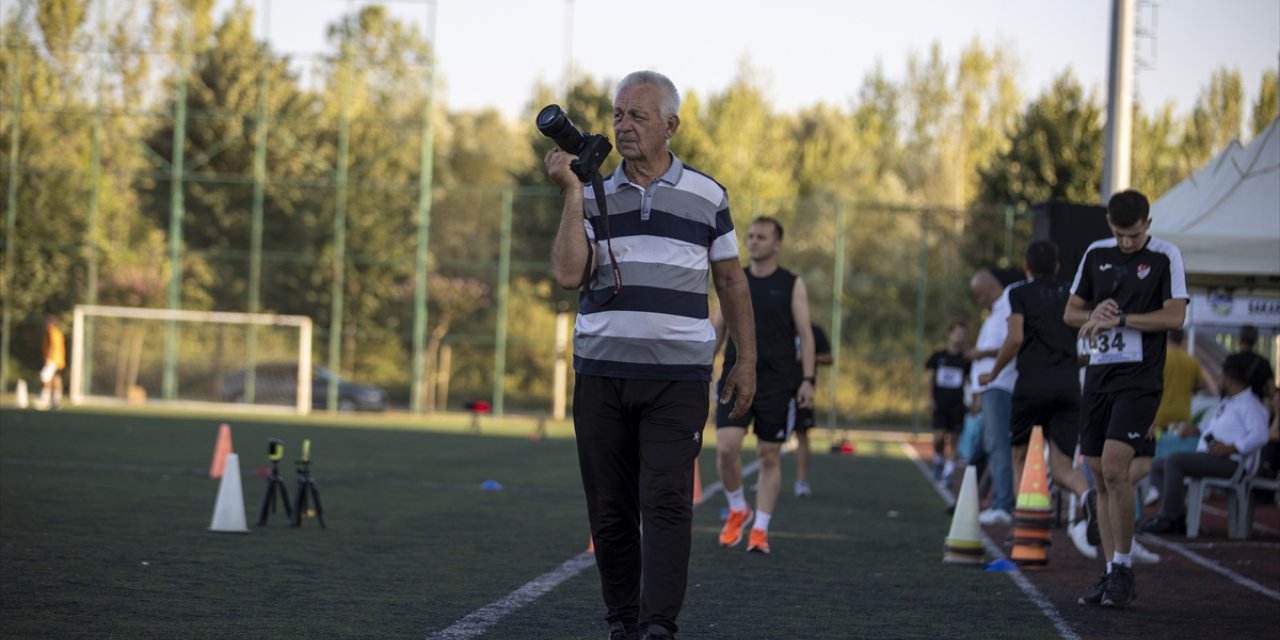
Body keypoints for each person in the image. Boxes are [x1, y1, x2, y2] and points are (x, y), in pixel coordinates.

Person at [545, 70, 756, 640]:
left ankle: (658, 624)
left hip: (678, 381)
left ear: (671, 125)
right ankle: (622, 622)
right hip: (601, 376)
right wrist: (571, 192)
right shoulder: (591, 191)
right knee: (610, 511)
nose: (623, 125)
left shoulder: (708, 195)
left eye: (637, 115)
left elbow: (733, 282)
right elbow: (568, 273)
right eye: (617, 114)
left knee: (666, 501)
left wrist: (745, 360)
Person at [1065, 189, 1187, 608]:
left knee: (1117, 470)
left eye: (1134, 235)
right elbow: (1071, 312)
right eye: (1120, 235)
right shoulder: (1095, 253)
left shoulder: (1166, 256)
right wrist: (1093, 315)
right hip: (1098, 377)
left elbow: (1175, 316)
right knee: (1099, 476)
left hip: (1139, 380)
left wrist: (1121, 318)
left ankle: (1124, 568)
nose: (1126, 243)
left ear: (1148, 226)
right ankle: (1110, 571)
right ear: (1110, 228)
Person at [978, 240, 1093, 558]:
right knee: (1062, 470)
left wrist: (994, 372)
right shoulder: (1072, 293)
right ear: (1057, 266)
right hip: (1069, 386)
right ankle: (1087, 498)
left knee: (1020, 459)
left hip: (1031, 386)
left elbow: (1015, 338)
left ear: (1026, 267)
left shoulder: (1018, 293)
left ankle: (1026, 533)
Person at [714, 216, 816, 555]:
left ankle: (760, 529)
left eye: (761, 237)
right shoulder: (733, 279)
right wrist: (701, 368)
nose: (754, 241)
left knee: (768, 455)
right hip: (734, 377)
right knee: (726, 448)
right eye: (751, 236)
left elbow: (805, 335)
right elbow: (716, 330)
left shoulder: (791, 283)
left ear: (777, 244)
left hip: (777, 383)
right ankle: (737, 506)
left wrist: (807, 380)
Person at [1139, 353, 1271, 535]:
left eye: (1221, 374)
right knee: (1158, 465)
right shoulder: (1230, 401)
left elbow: (1260, 435)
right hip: (1215, 456)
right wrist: (1195, 429)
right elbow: (1213, 428)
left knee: (1175, 460)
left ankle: (1168, 517)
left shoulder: (1250, 404)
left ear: (1231, 377)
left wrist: (1232, 447)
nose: (1218, 378)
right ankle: (1177, 516)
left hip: (1231, 464)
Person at [969, 270, 1020, 526]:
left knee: (998, 446)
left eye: (980, 294)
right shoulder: (994, 313)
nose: (979, 300)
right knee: (982, 448)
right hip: (989, 387)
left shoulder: (1011, 302)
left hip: (1000, 383)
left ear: (990, 287)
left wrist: (981, 354)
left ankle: (1003, 504)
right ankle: (969, 500)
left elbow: (1012, 343)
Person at [925, 321, 971, 485]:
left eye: (962, 334)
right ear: (949, 334)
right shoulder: (938, 357)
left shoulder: (965, 360)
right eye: (957, 333)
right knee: (938, 437)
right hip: (940, 403)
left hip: (957, 404)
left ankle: (949, 472)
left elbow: (969, 380)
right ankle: (938, 458)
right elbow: (930, 378)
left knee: (954, 438)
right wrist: (930, 398)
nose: (959, 337)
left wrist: (972, 400)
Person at [793, 322, 833, 497]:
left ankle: (802, 481)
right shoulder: (780, 326)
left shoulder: (813, 330)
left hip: (802, 389)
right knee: (769, 437)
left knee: (802, 434)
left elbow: (829, 358)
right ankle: (765, 478)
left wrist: (807, 357)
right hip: (777, 388)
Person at [1235, 324, 1275, 402]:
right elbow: (1271, 389)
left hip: (1235, 406)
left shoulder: (1231, 361)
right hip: (1256, 405)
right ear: (1255, 340)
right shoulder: (1263, 363)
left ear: (1240, 339)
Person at [39, 314, 66, 410]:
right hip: (59, 360)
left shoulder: (51, 331)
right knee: (56, 379)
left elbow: (52, 345)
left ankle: (44, 399)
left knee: (45, 377)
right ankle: (56, 400)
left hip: (53, 359)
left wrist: (48, 359)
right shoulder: (58, 332)